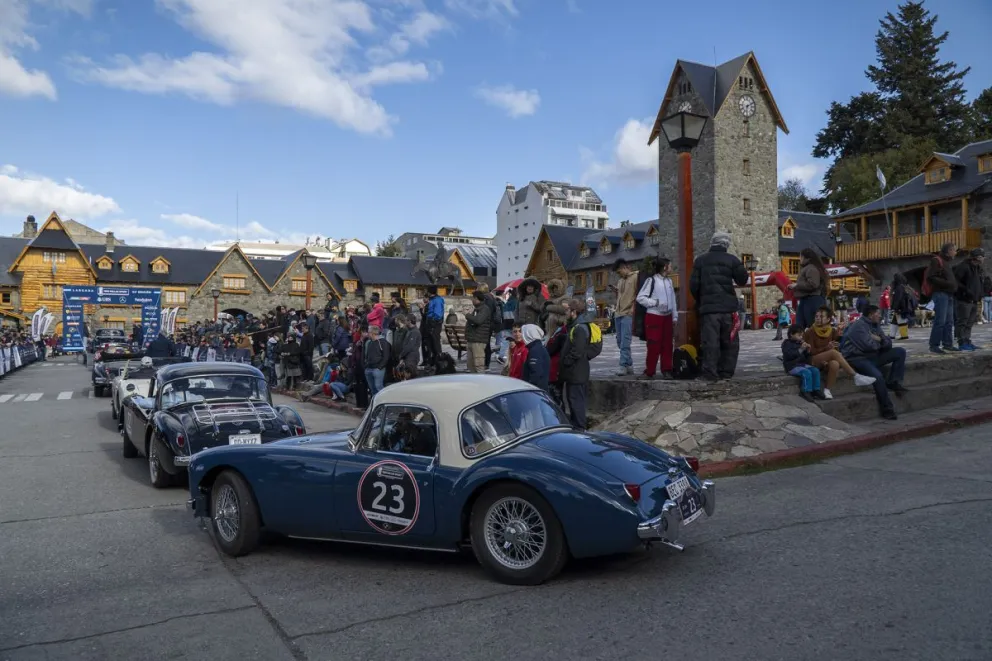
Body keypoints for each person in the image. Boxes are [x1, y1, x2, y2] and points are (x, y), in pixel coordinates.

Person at [688, 231, 749, 381]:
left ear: (712, 243)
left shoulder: (700, 261)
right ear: (726, 244)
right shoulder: (732, 260)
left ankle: (710, 373)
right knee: (730, 340)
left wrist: (702, 300)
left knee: (710, 341)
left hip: (709, 309)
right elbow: (742, 280)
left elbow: (693, 285)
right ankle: (726, 372)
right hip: (728, 308)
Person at [840, 305, 908, 421]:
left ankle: (893, 381)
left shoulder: (875, 324)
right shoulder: (858, 326)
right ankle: (887, 409)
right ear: (871, 315)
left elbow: (888, 343)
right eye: (878, 313)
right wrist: (880, 343)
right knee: (878, 377)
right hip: (858, 358)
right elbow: (869, 346)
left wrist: (879, 340)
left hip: (873, 356)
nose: (880, 315)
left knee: (900, 352)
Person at [803, 306, 876, 399]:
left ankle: (827, 390)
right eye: (816, 316)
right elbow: (810, 351)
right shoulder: (810, 331)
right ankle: (856, 376)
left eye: (821, 316)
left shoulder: (832, 331)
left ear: (828, 319)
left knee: (835, 364)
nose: (817, 318)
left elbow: (837, 347)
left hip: (827, 360)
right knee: (832, 353)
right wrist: (827, 348)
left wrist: (839, 337)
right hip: (813, 360)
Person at [635, 256, 677, 379]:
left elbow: (673, 300)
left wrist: (675, 317)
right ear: (665, 267)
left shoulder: (669, 281)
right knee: (654, 344)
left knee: (668, 345)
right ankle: (650, 371)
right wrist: (655, 303)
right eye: (669, 265)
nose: (671, 267)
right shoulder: (651, 281)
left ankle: (667, 369)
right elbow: (640, 298)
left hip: (667, 317)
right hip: (654, 316)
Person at [560, 299, 594, 429]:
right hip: (576, 372)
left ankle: (580, 428)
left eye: (568, 310)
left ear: (574, 312)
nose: (566, 313)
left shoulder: (579, 327)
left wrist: (567, 360)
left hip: (576, 372)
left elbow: (578, 350)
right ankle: (578, 427)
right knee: (574, 401)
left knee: (576, 402)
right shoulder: (577, 325)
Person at [926, 242, 959, 354]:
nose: (956, 252)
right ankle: (934, 345)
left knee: (949, 321)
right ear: (949, 251)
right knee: (940, 321)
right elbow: (931, 277)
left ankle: (948, 344)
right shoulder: (936, 260)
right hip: (940, 294)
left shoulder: (947, 262)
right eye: (954, 250)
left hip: (949, 294)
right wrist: (948, 284)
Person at [952, 248, 985, 351]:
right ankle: (961, 342)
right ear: (976, 257)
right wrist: (966, 290)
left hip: (974, 300)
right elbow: (956, 281)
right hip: (964, 299)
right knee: (962, 321)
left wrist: (980, 294)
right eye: (982, 256)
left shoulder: (977, 268)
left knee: (970, 322)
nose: (983, 258)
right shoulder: (964, 267)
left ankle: (967, 341)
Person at [781, 324, 823, 402]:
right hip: (791, 366)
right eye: (799, 335)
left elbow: (805, 357)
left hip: (801, 364)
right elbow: (789, 355)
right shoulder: (786, 344)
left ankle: (816, 390)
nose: (801, 337)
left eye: (802, 335)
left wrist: (808, 351)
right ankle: (805, 391)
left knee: (815, 370)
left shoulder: (800, 343)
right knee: (806, 373)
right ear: (791, 334)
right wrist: (801, 349)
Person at [789, 248, 830, 329]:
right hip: (806, 300)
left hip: (812, 300)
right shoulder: (807, 268)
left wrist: (797, 285)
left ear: (806, 258)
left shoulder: (811, 268)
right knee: (800, 327)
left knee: (815, 327)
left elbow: (813, 284)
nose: (799, 259)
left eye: (801, 257)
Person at [612, 258, 639, 376]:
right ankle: (629, 364)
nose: (619, 274)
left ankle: (623, 365)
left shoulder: (636, 277)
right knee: (619, 341)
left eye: (619, 272)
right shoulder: (620, 281)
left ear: (625, 267)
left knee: (625, 342)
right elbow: (621, 295)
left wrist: (633, 308)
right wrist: (616, 291)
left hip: (627, 313)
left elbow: (638, 293)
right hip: (618, 313)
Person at [464, 290, 492, 373]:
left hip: (479, 340)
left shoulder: (485, 309)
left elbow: (478, 320)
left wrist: (467, 315)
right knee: (470, 364)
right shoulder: (476, 309)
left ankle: (481, 382)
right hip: (471, 339)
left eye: (474, 298)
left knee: (478, 364)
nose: (472, 300)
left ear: (478, 299)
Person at [520, 323, 550, 392]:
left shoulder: (535, 350)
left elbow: (536, 373)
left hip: (536, 391)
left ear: (528, 335)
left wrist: (528, 388)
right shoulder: (538, 347)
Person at [363, 325, 390, 396]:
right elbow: (366, 355)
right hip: (369, 368)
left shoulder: (383, 342)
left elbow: (386, 356)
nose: (367, 334)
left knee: (379, 388)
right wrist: (365, 366)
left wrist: (380, 367)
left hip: (378, 369)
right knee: (372, 389)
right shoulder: (369, 342)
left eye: (368, 332)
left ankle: (383, 403)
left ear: (372, 333)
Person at [888, 273, 914, 340]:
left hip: (900, 308)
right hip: (903, 307)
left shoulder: (899, 287)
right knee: (894, 322)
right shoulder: (903, 286)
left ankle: (904, 336)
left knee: (901, 321)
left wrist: (895, 307)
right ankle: (891, 335)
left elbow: (898, 299)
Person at [424, 287, 445, 366]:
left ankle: (440, 362)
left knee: (436, 344)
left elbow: (438, 314)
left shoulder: (437, 300)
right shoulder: (433, 299)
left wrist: (432, 322)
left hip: (434, 324)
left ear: (429, 292)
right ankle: (432, 362)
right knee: (430, 344)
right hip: (430, 324)